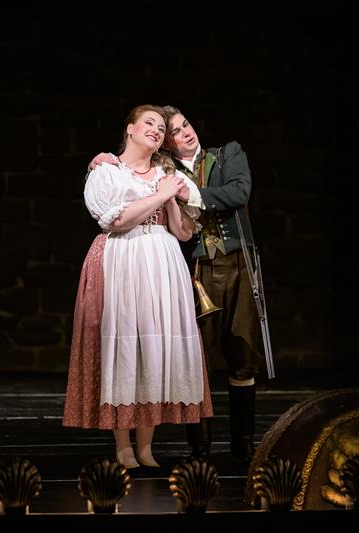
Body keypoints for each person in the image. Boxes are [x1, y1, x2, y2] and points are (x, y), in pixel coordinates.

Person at [88, 105, 265, 464]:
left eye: (186, 125)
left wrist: (187, 195)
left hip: (235, 262)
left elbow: (238, 193)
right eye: (176, 131)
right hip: (195, 267)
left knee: (243, 354)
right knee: (195, 357)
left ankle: (243, 446)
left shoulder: (225, 154)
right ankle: (199, 449)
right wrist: (101, 160)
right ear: (165, 142)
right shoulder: (163, 168)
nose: (186, 133)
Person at [62, 105, 213, 471]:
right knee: (125, 345)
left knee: (154, 349)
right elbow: (116, 221)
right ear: (129, 129)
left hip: (162, 262)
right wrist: (160, 195)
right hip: (123, 259)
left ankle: (145, 445)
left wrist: (171, 196)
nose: (157, 130)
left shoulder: (167, 174)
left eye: (161, 128)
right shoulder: (108, 171)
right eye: (149, 123)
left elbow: (183, 233)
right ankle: (123, 445)